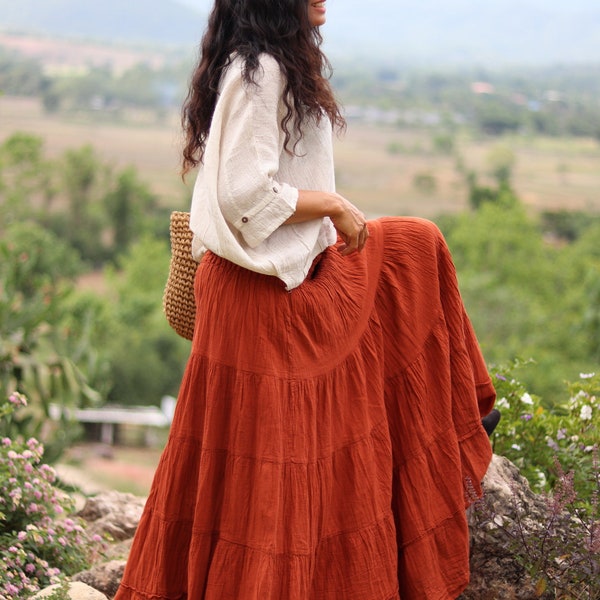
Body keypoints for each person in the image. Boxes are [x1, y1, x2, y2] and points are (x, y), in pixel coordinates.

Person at [114, 1, 496, 598]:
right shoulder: (260, 68)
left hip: (272, 284)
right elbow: (244, 193)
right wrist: (333, 205)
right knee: (274, 472)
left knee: (413, 245)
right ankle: (459, 416)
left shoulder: (273, 63)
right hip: (258, 298)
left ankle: (460, 413)